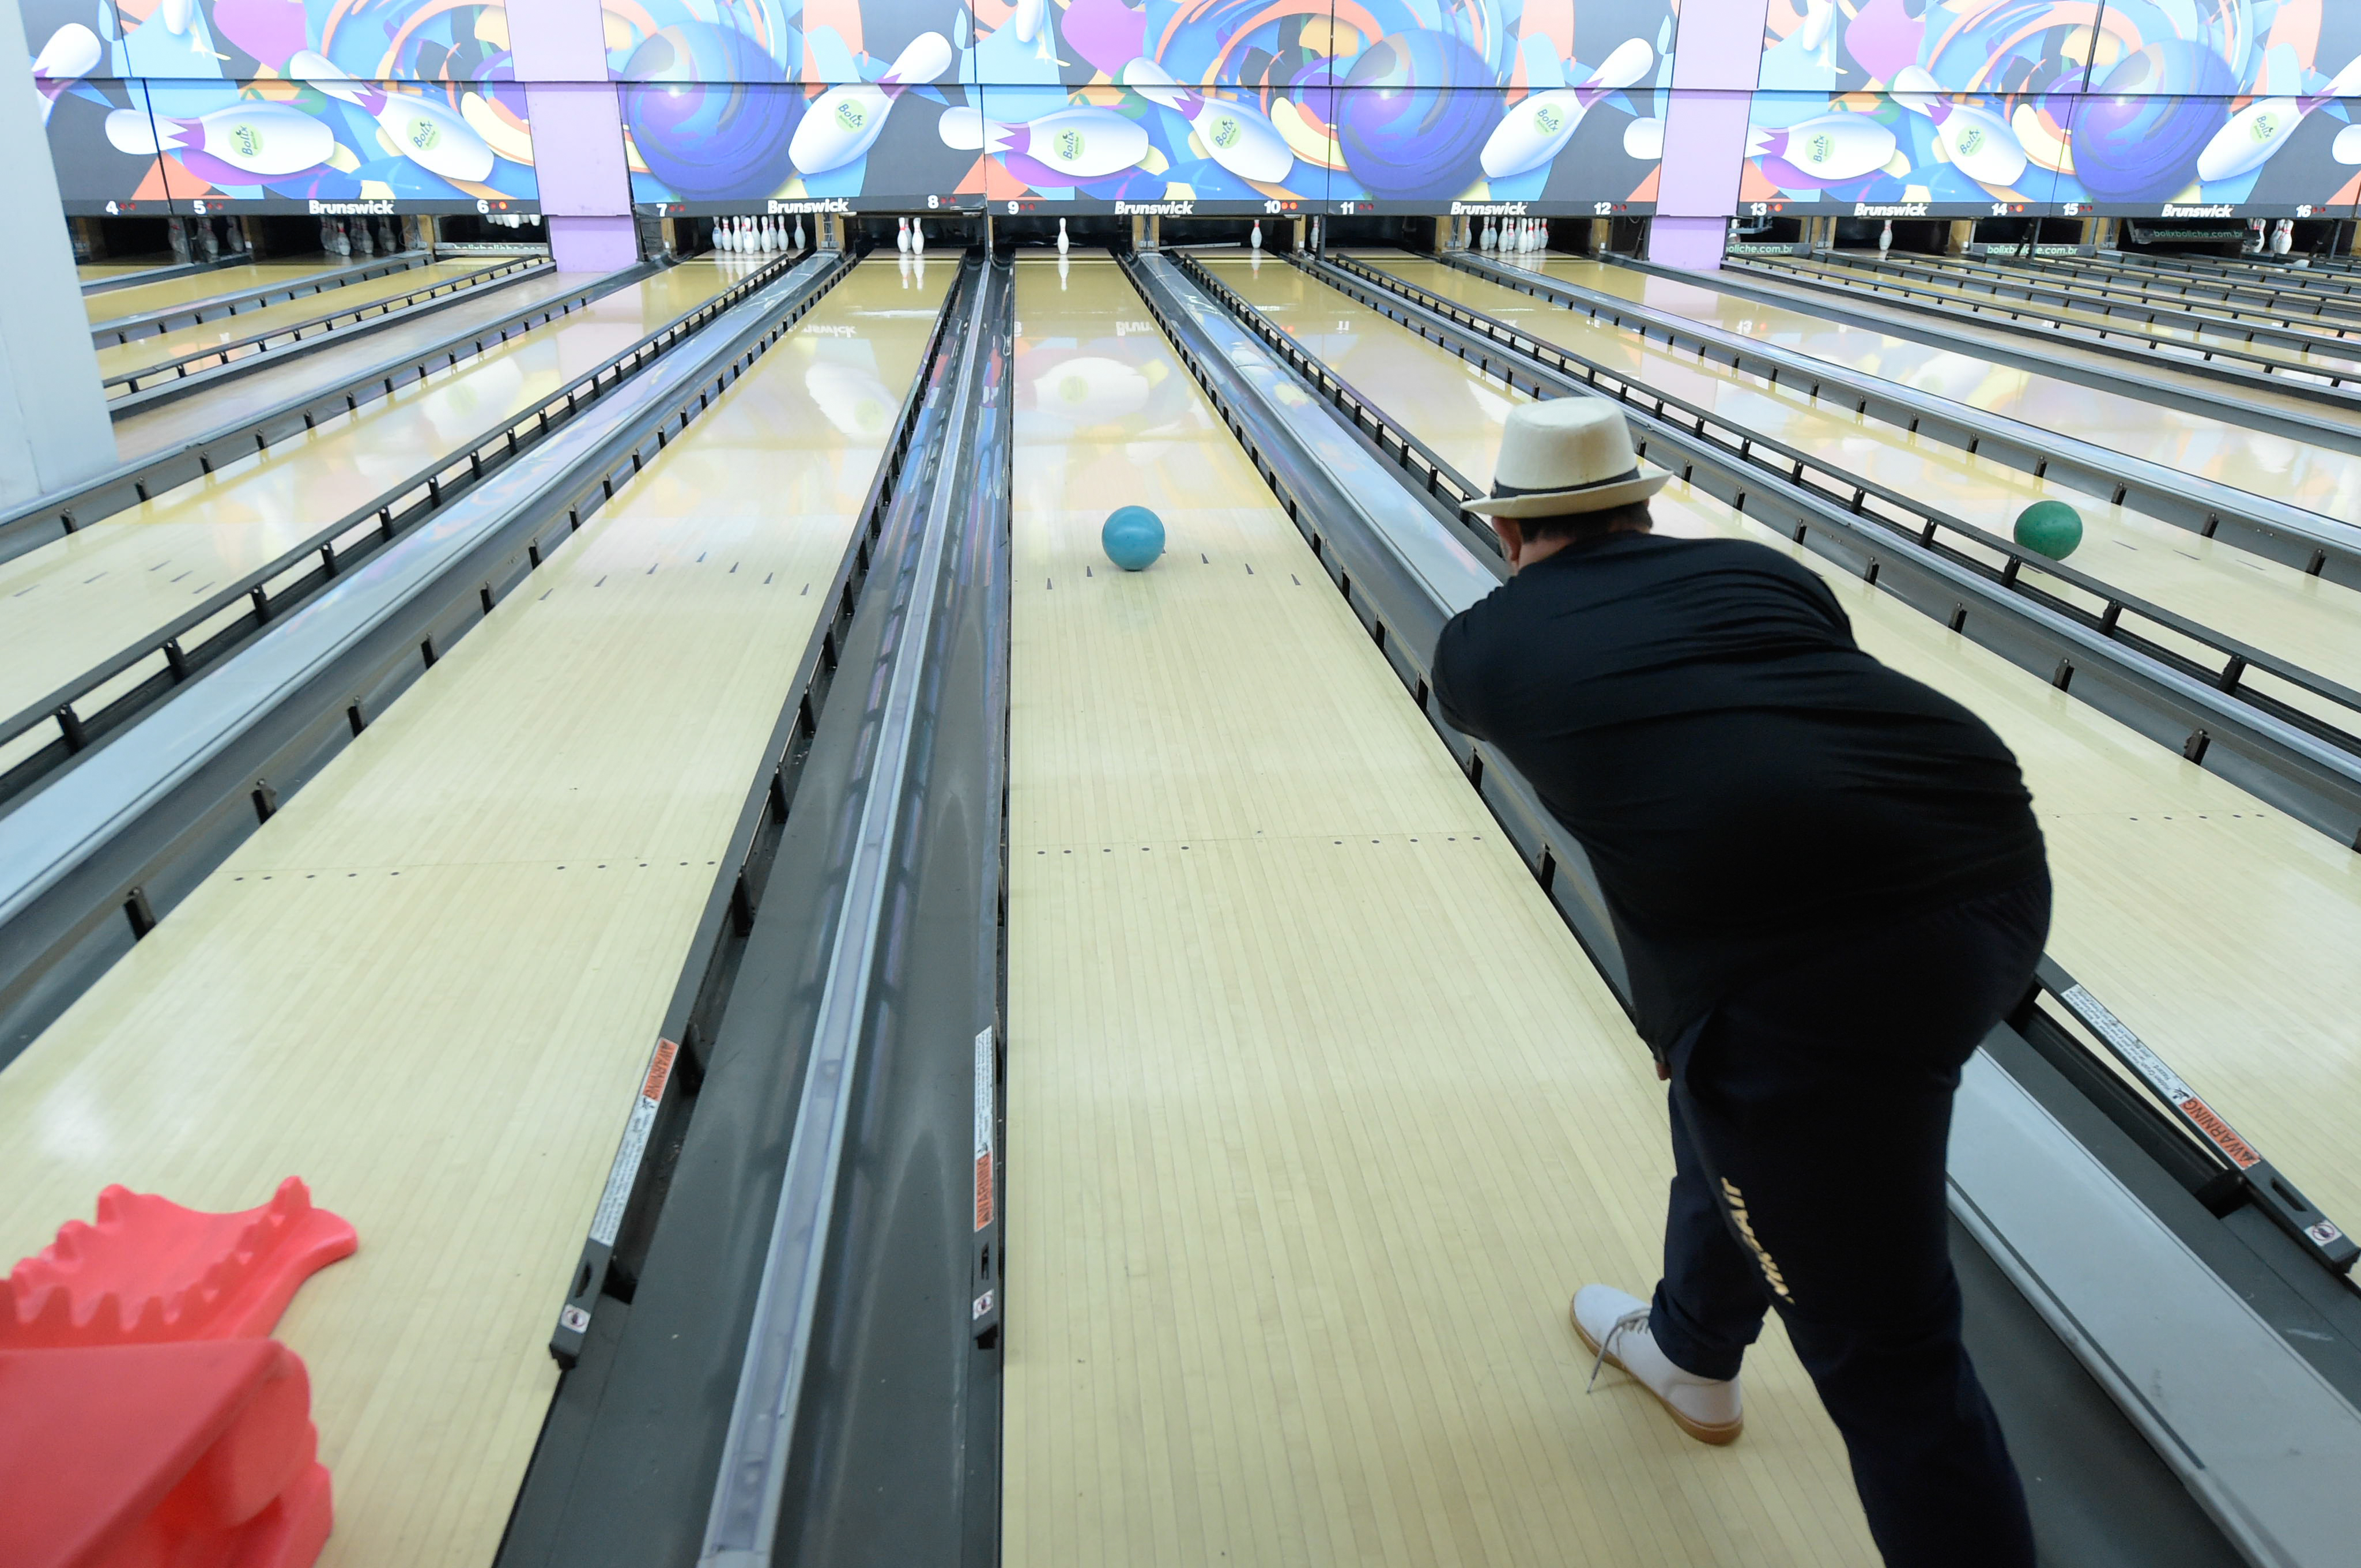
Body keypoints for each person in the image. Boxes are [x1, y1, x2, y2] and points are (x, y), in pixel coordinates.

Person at [1430, 399, 2049, 1568]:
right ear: (1641, 506)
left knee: (1891, 1359)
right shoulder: (1765, 572)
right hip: (1996, 881)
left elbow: (1606, 764)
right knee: (1737, 1113)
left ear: (1507, 532)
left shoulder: (1479, 652)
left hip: (1812, 975)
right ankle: (1692, 1350)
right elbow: (1764, 729)